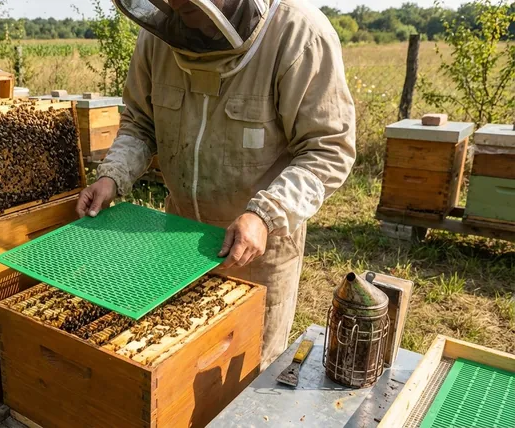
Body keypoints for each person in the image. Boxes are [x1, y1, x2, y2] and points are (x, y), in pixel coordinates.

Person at [77, 0, 356, 370]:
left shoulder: (298, 34)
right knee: (177, 371)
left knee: (246, 376)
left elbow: (327, 148)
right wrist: (114, 175)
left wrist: (264, 214)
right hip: (175, 241)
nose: (174, 7)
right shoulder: (157, 37)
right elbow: (140, 124)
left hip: (257, 252)